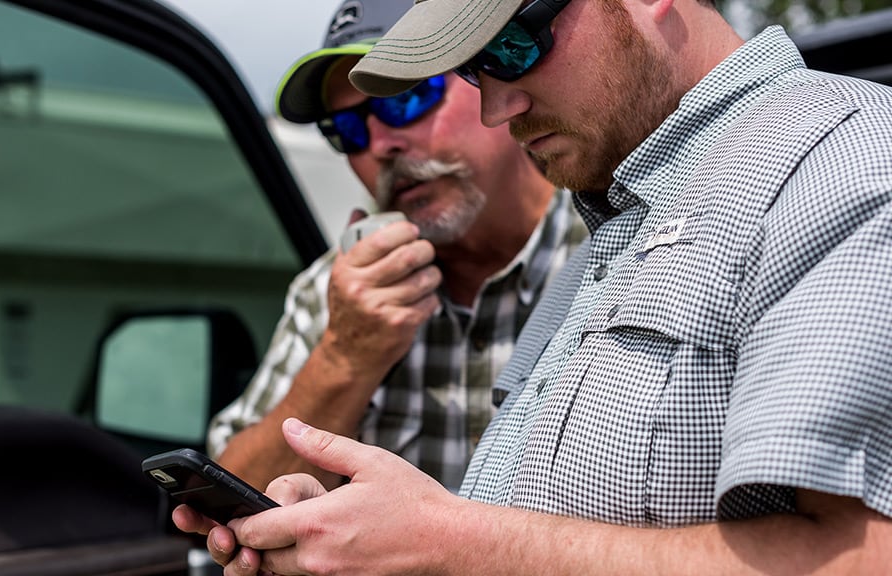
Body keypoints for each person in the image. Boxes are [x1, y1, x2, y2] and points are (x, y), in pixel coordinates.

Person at [179, 0, 892, 572]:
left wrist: (444, 544)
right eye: (469, 71)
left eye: (509, 46)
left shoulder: (838, 162)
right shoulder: (620, 223)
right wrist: (359, 536)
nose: (497, 106)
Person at [207, 0, 584, 492]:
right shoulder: (340, 288)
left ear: (488, 75)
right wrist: (345, 357)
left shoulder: (620, 252)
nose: (380, 145)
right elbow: (231, 503)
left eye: (403, 99)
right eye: (346, 130)